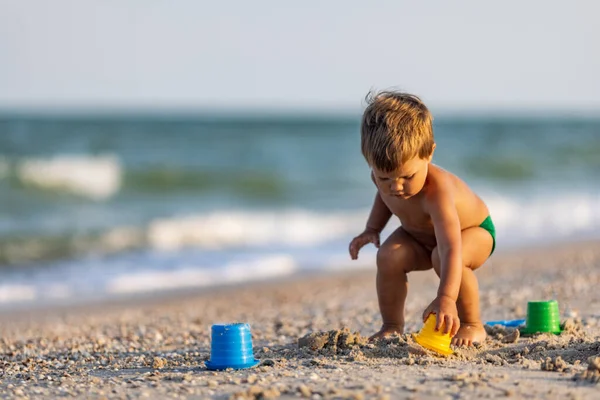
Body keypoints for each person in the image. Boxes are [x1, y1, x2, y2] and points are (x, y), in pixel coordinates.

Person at [348, 91, 496, 347]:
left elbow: (450, 246)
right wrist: (372, 229)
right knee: (388, 256)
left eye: (406, 177)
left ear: (428, 154)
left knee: (444, 257)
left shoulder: (437, 192)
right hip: (421, 237)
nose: (395, 187)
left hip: (472, 233)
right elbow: (383, 199)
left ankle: (473, 324)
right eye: (385, 178)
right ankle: (392, 326)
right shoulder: (382, 178)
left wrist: (446, 297)